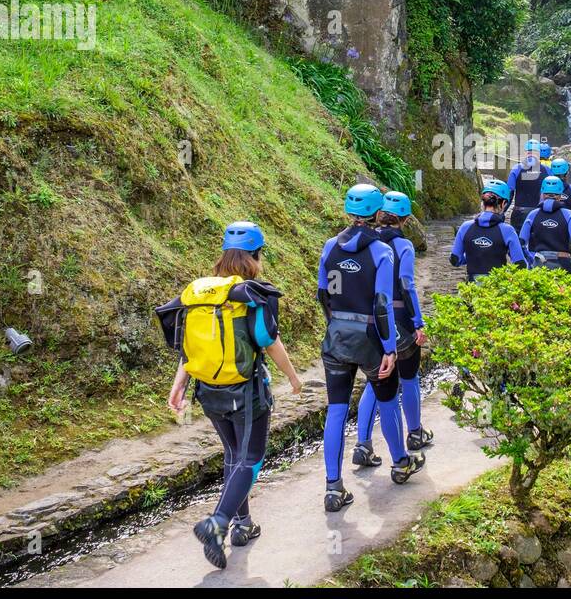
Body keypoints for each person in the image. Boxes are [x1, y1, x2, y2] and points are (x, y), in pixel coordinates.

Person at [159, 221, 303, 570]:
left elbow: (188, 346)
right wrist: (294, 378)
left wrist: (178, 385)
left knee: (232, 453)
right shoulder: (251, 293)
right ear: (255, 255)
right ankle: (217, 523)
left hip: (207, 391)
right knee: (251, 458)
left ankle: (242, 525)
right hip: (246, 392)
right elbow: (267, 341)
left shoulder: (200, 292)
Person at [317, 184, 424, 513]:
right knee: (387, 399)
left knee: (335, 410)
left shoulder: (330, 246)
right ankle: (400, 463)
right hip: (370, 338)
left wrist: (335, 323)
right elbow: (381, 305)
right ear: (378, 213)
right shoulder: (382, 252)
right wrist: (389, 348)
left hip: (336, 336)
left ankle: (334, 488)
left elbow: (324, 293)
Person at [352, 190, 432, 467]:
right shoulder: (403, 246)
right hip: (399, 320)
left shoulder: (366, 242)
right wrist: (418, 322)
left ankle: (362, 443)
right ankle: (414, 433)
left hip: (369, 321)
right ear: (406, 219)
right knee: (409, 378)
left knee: (374, 384)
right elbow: (407, 285)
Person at [521, 177, 571, 278]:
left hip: (539, 265)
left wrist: (531, 260)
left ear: (542, 194)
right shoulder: (568, 215)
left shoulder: (532, 215)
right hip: (563, 266)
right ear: (560, 195)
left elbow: (521, 243)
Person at [450, 178, 530, 281]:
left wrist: (472, 255)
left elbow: (455, 259)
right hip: (497, 288)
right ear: (503, 203)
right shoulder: (507, 231)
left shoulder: (465, 227)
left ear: (483, 202)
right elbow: (520, 264)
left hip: (471, 287)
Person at [506, 138, 550, 232]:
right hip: (539, 212)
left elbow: (509, 194)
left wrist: (501, 212)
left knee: (518, 242)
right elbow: (554, 194)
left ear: (525, 153)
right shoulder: (547, 170)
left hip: (519, 213)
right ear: (538, 153)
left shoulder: (516, 169)